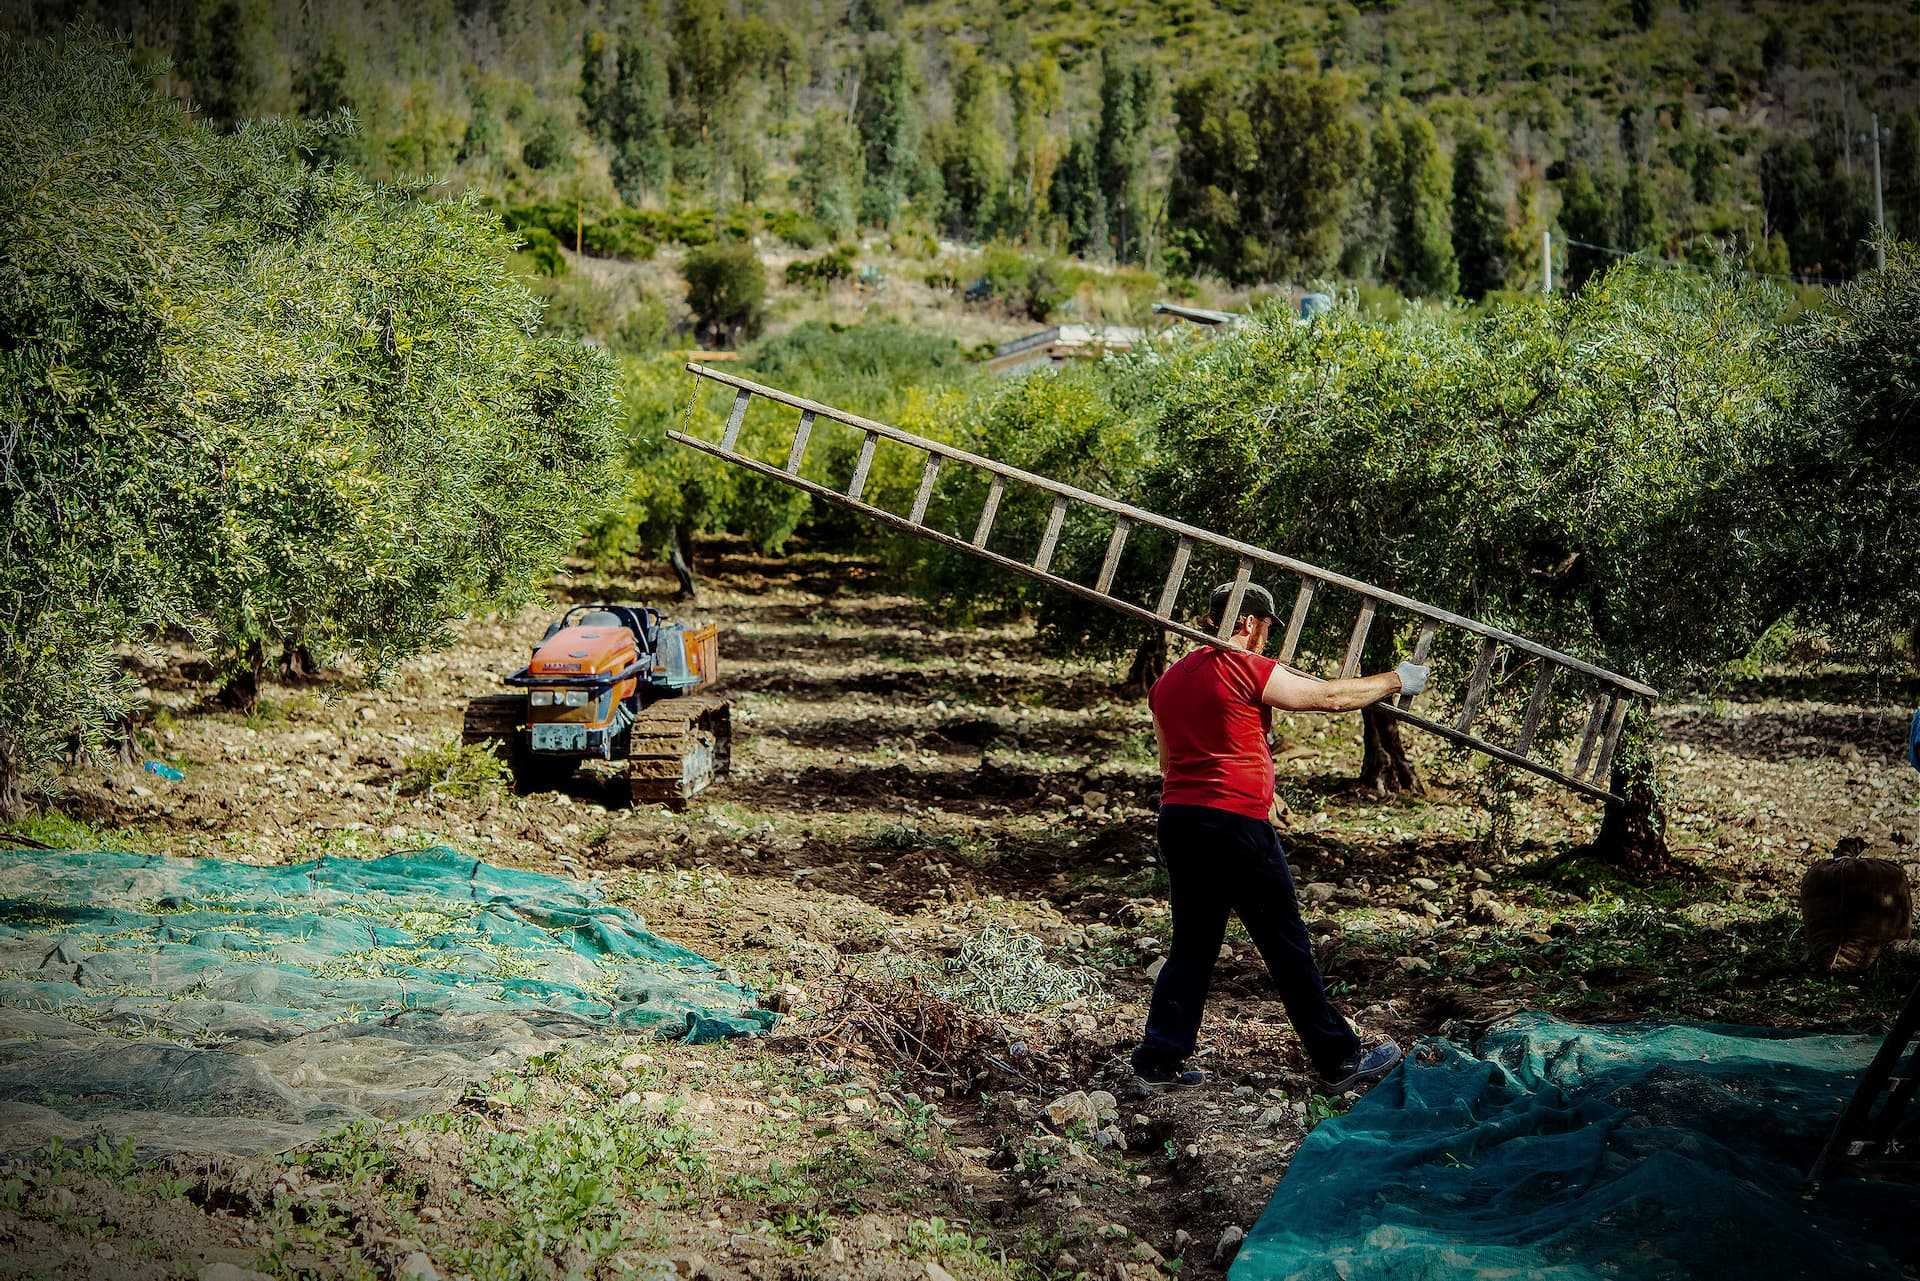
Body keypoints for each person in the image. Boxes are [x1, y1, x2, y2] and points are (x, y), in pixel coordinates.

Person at [1132, 581, 1432, 1092]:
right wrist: (1394, 680)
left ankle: (1160, 1060)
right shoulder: (1244, 665)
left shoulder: (1168, 681)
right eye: (1266, 629)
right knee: (1285, 944)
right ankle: (1340, 1059)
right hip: (1235, 826)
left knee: (1192, 945)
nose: (1266, 640)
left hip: (1181, 821)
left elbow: (1169, 762)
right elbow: (1330, 697)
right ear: (1248, 622)